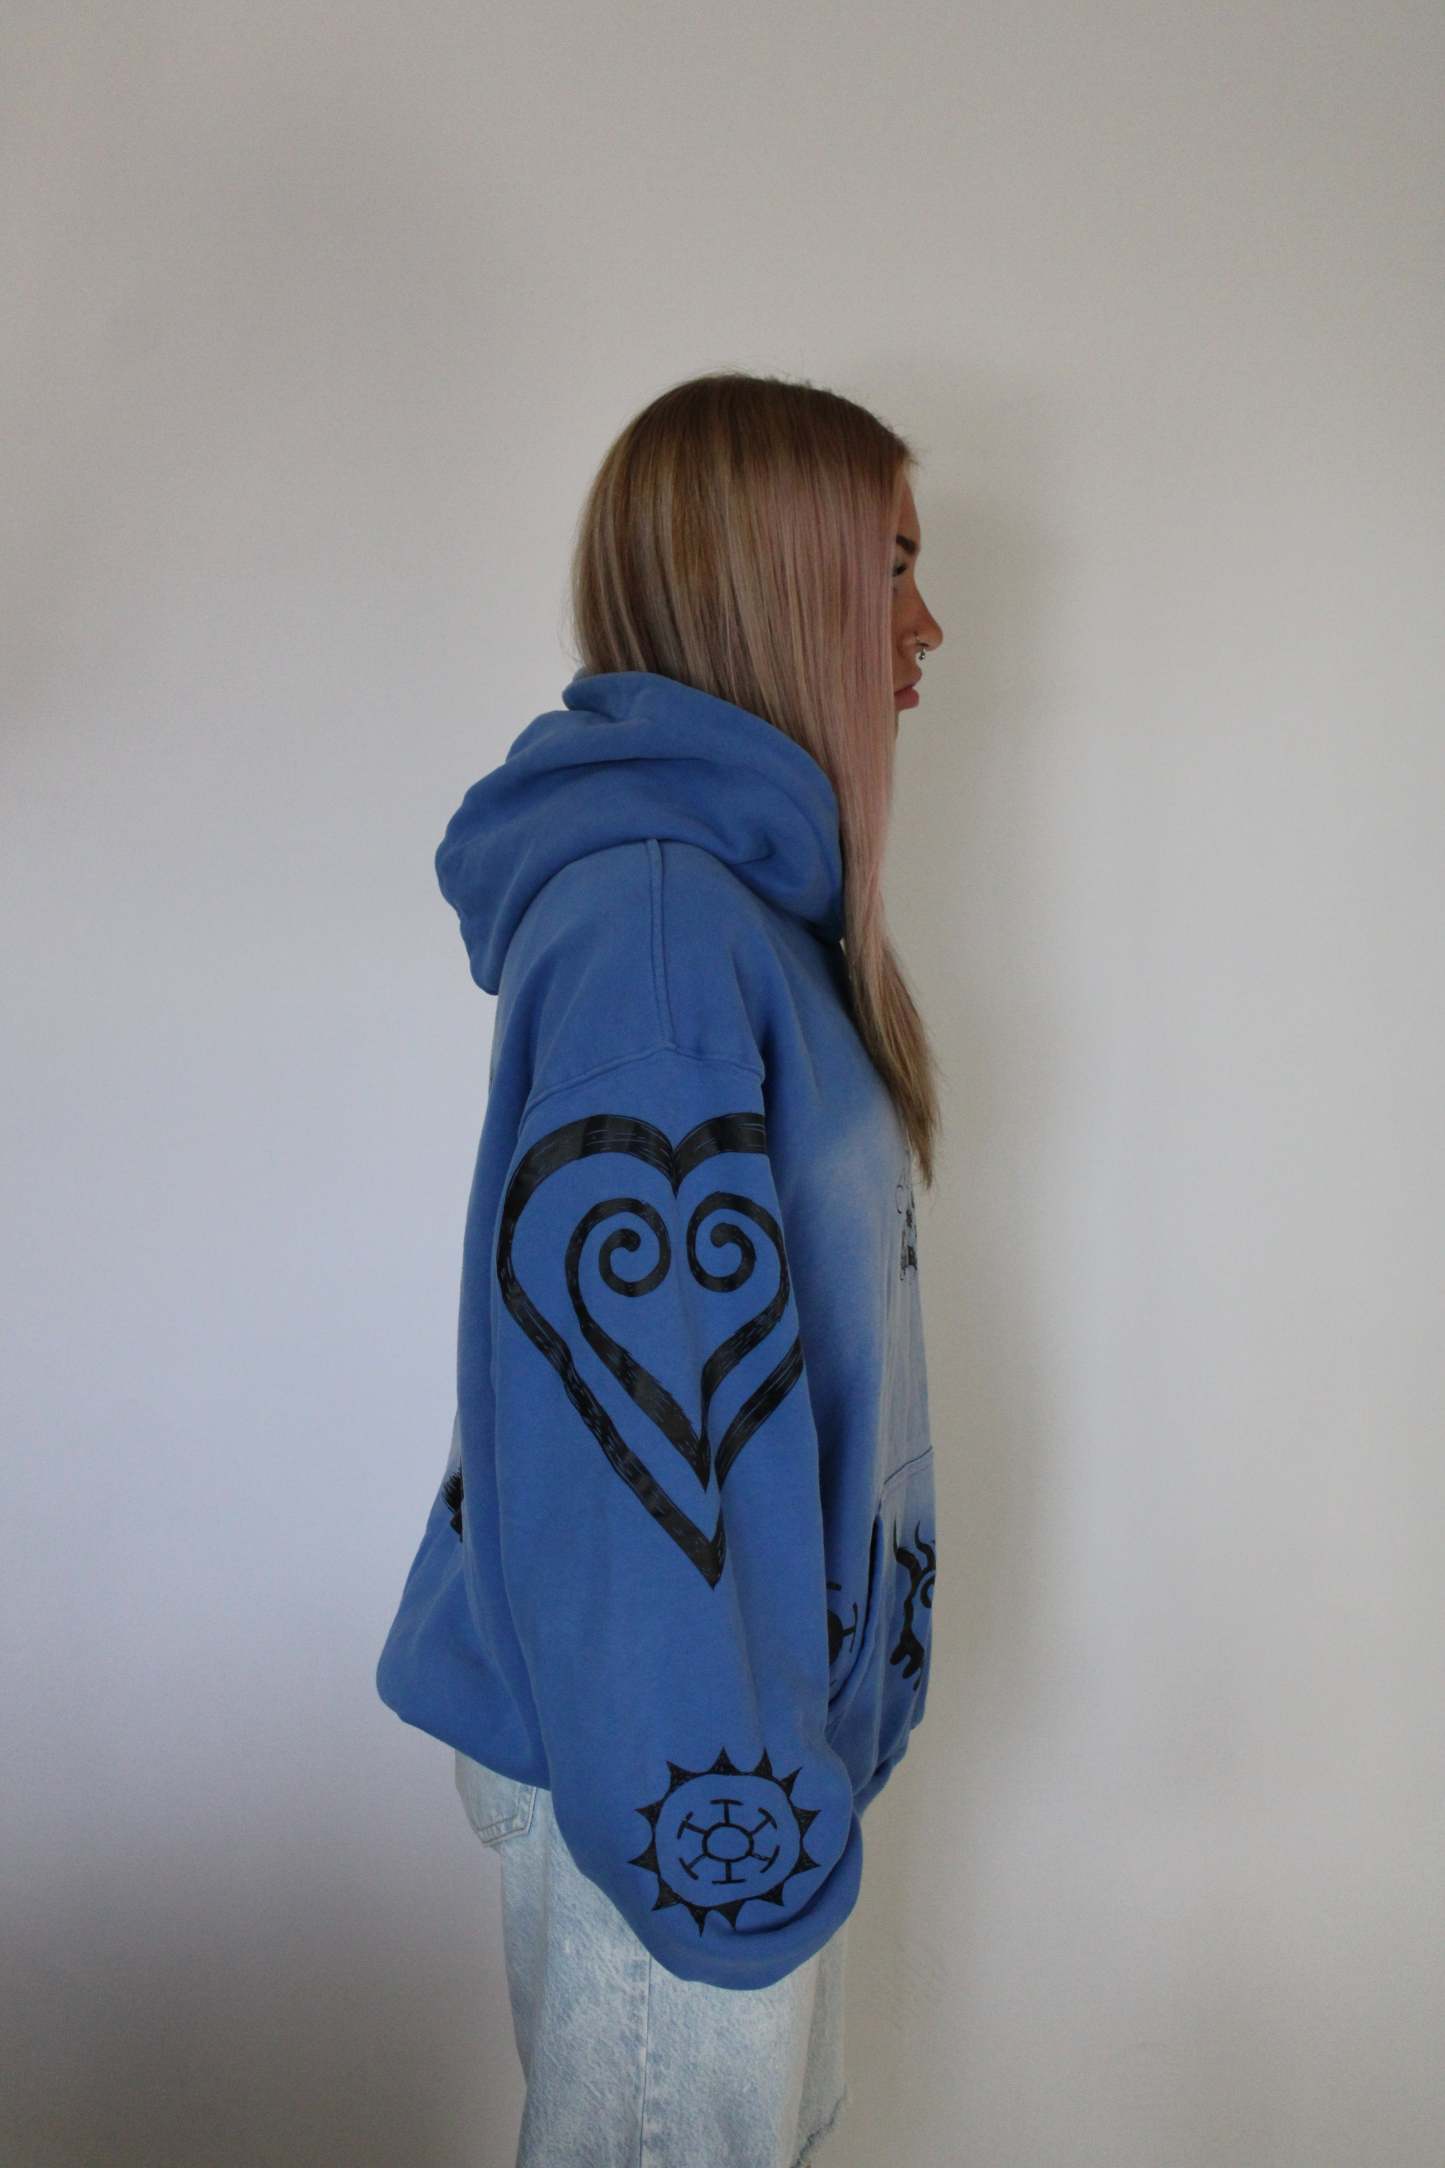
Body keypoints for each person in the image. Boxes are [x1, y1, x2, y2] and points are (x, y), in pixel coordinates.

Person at [376, 369, 946, 2166]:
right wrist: (719, 1838)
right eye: (891, 569)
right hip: (678, 1777)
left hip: (731, 1751)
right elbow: (628, 1463)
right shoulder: (655, 927)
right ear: (777, 583)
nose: (925, 629)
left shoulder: (728, 917)